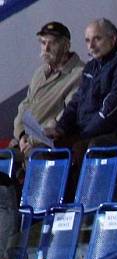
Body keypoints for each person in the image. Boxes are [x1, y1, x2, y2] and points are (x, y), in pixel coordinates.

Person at [45, 19, 117, 150]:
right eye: (87, 40)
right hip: (85, 131)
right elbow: (76, 102)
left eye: (97, 39)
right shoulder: (92, 65)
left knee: (78, 148)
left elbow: (112, 108)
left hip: (112, 132)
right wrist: (60, 129)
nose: (91, 46)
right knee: (46, 147)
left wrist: (82, 136)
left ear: (113, 38)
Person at [9, 22, 83, 163]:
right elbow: (24, 107)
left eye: (52, 43)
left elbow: (66, 117)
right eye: (43, 43)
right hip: (23, 142)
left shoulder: (79, 74)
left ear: (66, 46)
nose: (46, 48)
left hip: (46, 145)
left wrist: (32, 140)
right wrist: (21, 135)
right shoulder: (40, 72)